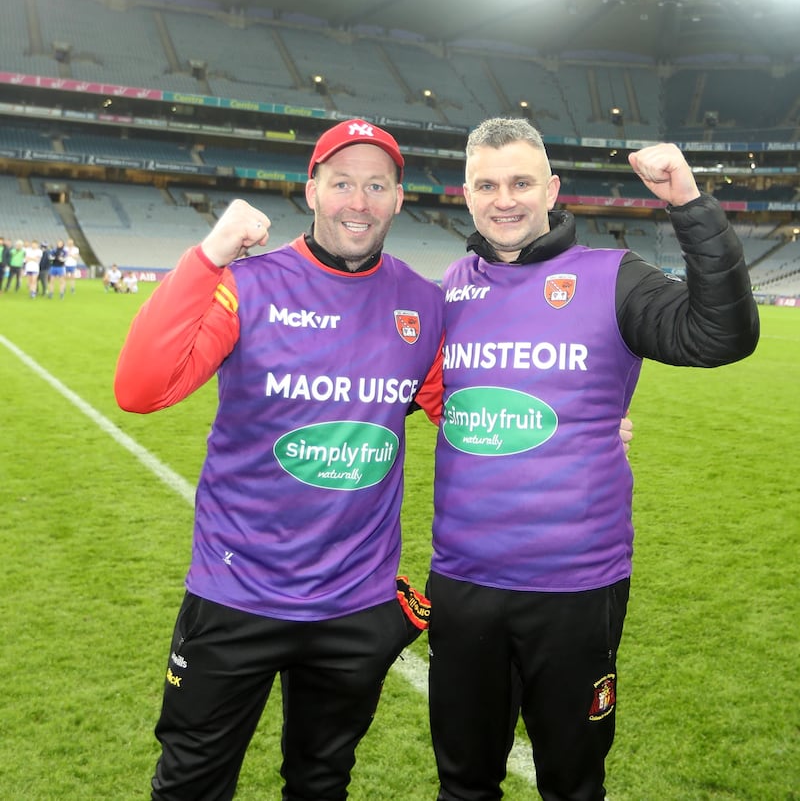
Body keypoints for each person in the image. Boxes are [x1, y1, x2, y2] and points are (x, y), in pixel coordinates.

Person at [422, 118, 760, 801]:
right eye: (487, 184)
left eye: (520, 181)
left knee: (573, 784)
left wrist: (688, 202)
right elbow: (404, 388)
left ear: (551, 188)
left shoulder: (612, 277)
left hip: (576, 586)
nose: (504, 198)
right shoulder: (449, 289)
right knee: (463, 783)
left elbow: (721, 334)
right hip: (463, 584)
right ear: (466, 194)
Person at [114, 119, 443, 801]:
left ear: (398, 198)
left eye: (376, 184)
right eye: (343, 181)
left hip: (353, 604)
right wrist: (209, 255)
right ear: (311, 189)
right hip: (236, 593)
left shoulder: (422, 303)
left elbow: (470, 418)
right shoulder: (249, 285)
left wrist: (584, 430)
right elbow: (141, 388)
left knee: (322, 783)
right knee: (190, 785)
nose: (359, 200)